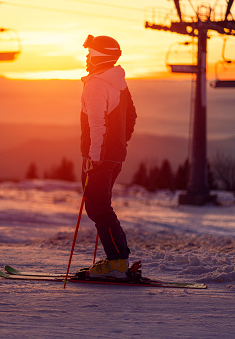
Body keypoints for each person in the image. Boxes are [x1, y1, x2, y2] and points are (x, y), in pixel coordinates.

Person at [80, 35, 137, 278]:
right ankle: (117, 260)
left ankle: (117, 263)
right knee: (101, 206)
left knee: (98, 207)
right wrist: (120, 144)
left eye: (89, 53)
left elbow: (96, 125)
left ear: (97, 56)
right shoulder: (118, 82)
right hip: (114, 156)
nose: (86, 57)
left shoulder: (96, 85)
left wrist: (94, 156)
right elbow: (132, 116)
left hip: (100, 157)